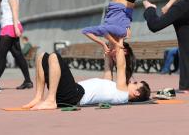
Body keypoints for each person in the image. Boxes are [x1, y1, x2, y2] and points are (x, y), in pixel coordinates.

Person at [22, 38, 151, 110]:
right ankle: (39, 97)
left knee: (54, 57)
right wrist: (109, 49)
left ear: (136, 93)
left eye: (135, 83)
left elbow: (121, 66)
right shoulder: (113, 88)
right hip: (70, 93)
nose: (131, 82)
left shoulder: (122, 92)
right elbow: (108, 66)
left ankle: (51, 100)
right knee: (42, 57)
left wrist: (121, 40)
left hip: (74, 95)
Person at [0, 0, 33, 90]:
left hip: (9, 27)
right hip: (10, 26)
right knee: (17, 54)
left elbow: (15, 10)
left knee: (1, 57)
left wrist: (16, 27)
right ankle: (28, 81)